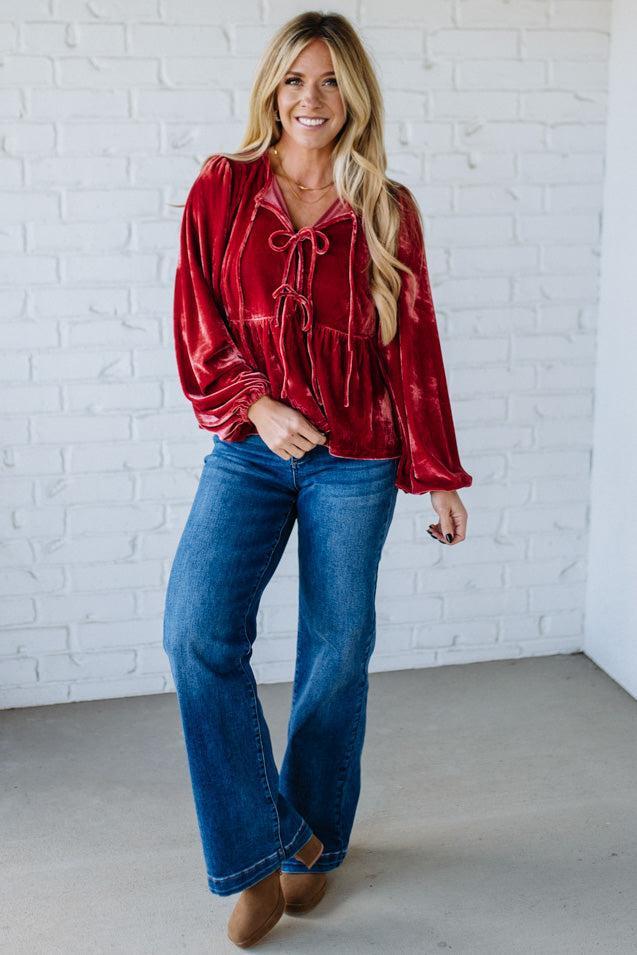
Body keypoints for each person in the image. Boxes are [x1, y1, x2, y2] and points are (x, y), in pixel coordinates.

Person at [162, 11, 472, 948]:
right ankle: (269, 848)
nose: (311, 99)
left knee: (336, 656)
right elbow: (196, 316)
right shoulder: (222, 187)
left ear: (356, 97)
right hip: (251, 452)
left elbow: (414, 349)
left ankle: (312, 855)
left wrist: (437, 474)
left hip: (359, 459)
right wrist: (255, 406)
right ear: (270, 89)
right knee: (196, 635)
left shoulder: (387, 206)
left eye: (332, 82)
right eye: (296, 80)